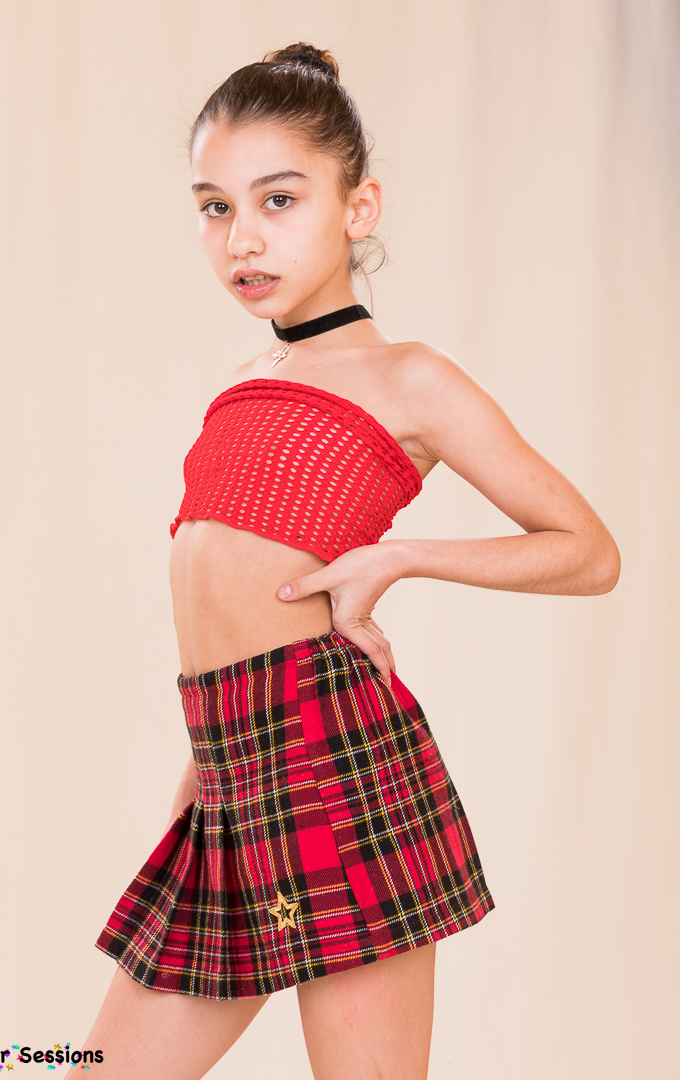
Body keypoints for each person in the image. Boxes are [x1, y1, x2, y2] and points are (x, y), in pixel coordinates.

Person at [68, 42, 621, 1080]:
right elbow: (224, 619)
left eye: (278, 200)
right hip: (231, 771)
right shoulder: (240, 384)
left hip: (336, 766)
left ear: (359, 208)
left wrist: (395, 558)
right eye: (216, 207)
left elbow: (589, 552)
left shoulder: (410, 378)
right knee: (85, 1068)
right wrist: (201, 787)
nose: (243, 237)